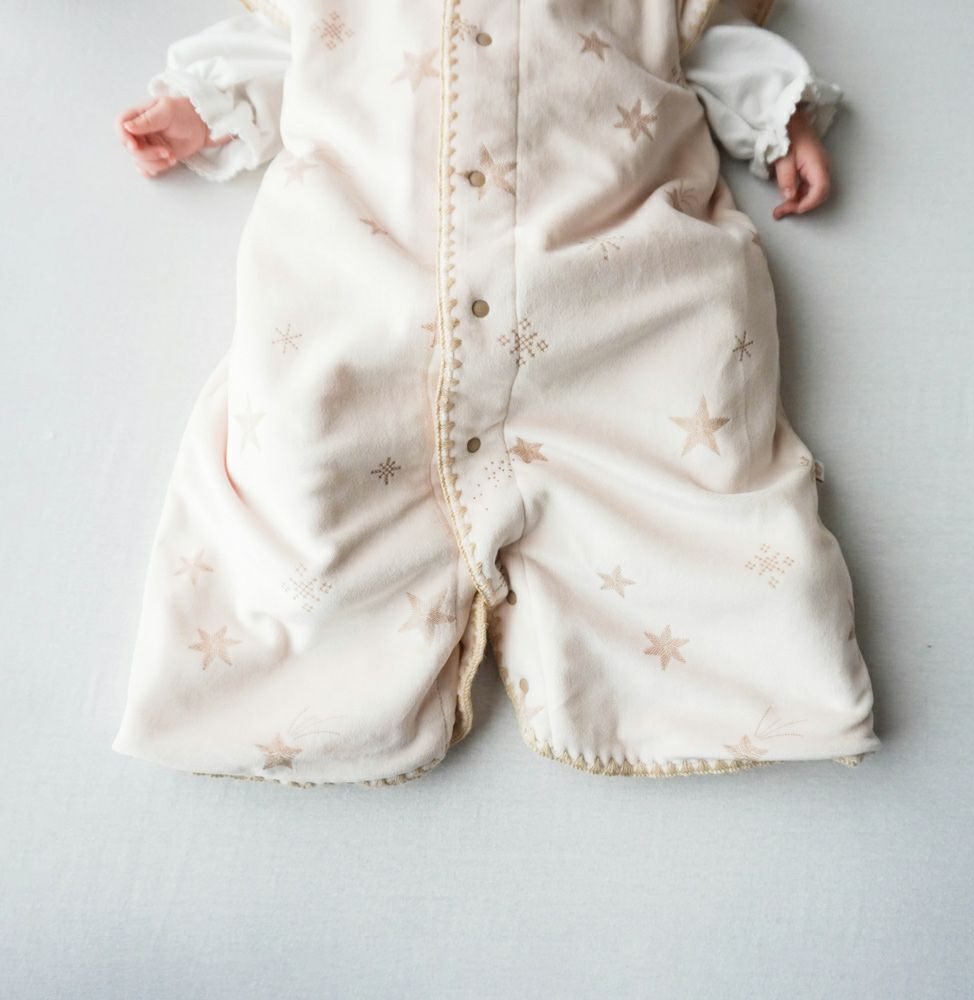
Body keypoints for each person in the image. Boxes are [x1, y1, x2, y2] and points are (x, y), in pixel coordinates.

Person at [111, 0, 882, 786]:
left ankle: (734, 683)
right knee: (306, 449)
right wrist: (200, 104)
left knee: (683, 447)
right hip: (373, 277)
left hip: (602, 276)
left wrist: (778, 118)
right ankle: (279, 695)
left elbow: (708, 43)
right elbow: (285, 44)